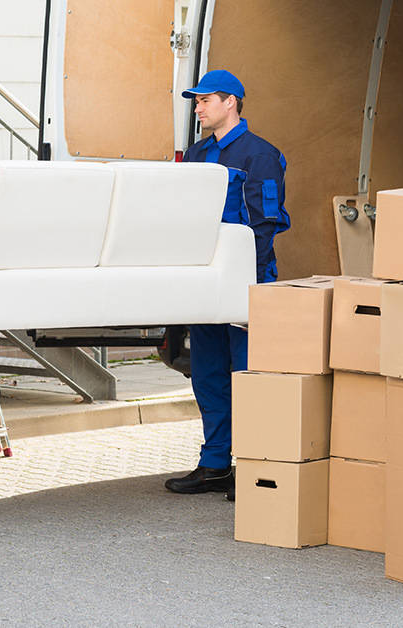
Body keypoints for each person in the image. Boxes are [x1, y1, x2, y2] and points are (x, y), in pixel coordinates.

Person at [164, 69, 290, 501]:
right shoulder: (197, 154)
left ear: (230, 102)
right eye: (195, 101)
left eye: (204, 100)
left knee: (246, 375)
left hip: (246, 283)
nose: (197, 108)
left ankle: (254, 467)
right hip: (205, 283)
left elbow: (266, 224)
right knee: (208, 374)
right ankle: (215, 464)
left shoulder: (261, 155)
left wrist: (244, 282)